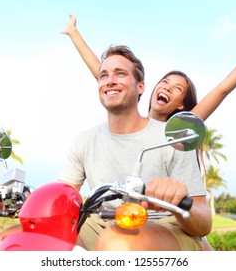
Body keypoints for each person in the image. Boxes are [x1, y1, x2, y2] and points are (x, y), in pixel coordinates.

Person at [58, 45, 212, 251]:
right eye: (103, 75)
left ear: (141, 87)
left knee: (118, 243)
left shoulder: (173, 138)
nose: (110, 80)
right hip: (101, 224)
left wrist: (179, 201)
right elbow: (61, 196)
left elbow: (204, 223)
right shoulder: (84, 140)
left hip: (164, 226)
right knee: (37, 236)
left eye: (120, 73)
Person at [62, 14, 236, 122]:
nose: (166, 87)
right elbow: (104, 74)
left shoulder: (177, 131)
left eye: (177, 88)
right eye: (164, 82)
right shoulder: (133, 119)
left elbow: (223, 88)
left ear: (181, 105)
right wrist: (74, 33)